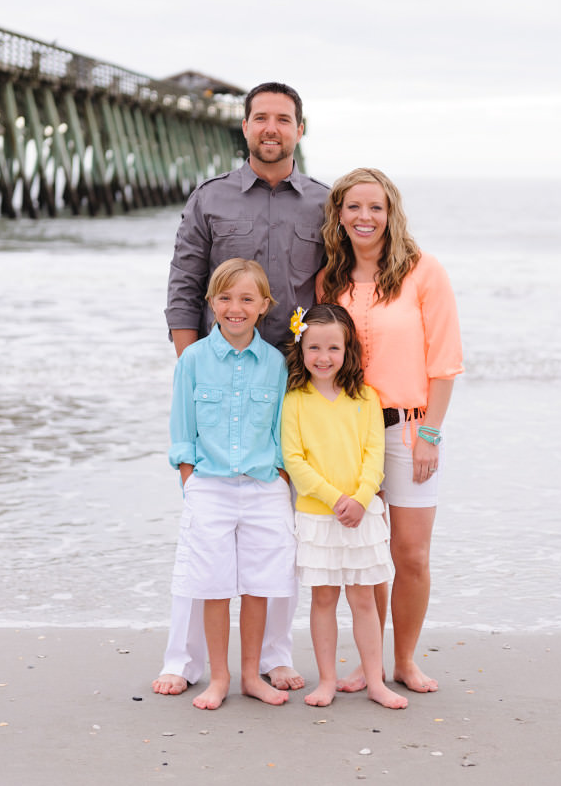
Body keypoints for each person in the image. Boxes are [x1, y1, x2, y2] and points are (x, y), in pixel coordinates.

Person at [157, 81, 328, 696]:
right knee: (202, 532)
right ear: (246, 127)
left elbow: (335, 288)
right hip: (219, 375)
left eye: (283, 119)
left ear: (300, 131)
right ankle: (183, 658)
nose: (271, 129)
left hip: (295, 382)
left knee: (278, 528)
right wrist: (189, 363)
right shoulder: (212, 199)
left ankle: (274, 654)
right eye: (261, 118)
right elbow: (185, 278)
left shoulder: (323, 203)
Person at [318, 167, 463, 695]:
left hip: (408, 433)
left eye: (375, 207)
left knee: (411, 554)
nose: (365, 217)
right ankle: (370, 664)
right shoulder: (328, 280)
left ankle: (405, 660)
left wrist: (431, 435)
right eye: (353, 207)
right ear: (339, 213)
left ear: (390, 212)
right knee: (368, 557)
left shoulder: (424, 271)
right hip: (351, 438)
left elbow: (445, 360)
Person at [166, 258, 294, 710]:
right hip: (210, 487)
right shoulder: (194, 360)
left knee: (259, 586)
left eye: (246, 299)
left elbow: (283, 428)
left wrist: (278, 470)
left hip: (263, 488)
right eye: (224, 298)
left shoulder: (276, 364)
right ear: (211, 303)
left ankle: (250, 675)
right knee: (215, 587)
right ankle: (217, 678)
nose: (234, 308)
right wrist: (190, 480)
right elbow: (182, 430)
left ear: (264, 305)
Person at [281, 304, 408, 710]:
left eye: (333, 347)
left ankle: (375, 680)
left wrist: (361, 497)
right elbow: (294, 459)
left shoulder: (366, 397)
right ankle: (327, 681)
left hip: (361, 515)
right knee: (322, 600)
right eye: (314, 347)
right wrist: (336, 499)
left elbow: (375, 453)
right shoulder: (295, 400)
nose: (323, 357)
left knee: (364, 600)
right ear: (301, 349)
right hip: (319, 516)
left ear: (347, 349)